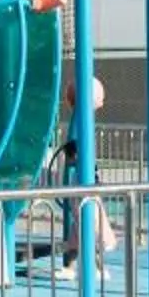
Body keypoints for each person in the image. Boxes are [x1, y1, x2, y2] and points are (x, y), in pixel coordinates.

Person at [47, 75, 115, 279]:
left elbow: (76, 150)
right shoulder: (82, 120)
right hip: (81, 179)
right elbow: (76, 150)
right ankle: (78, 264)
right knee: (84, 223)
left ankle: (90, 265)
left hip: (83, 179)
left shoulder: (81, 120)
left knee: (86, 223)